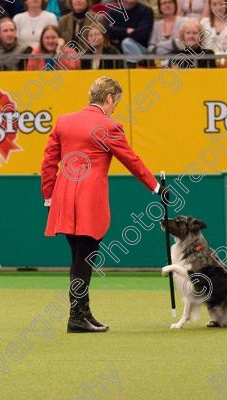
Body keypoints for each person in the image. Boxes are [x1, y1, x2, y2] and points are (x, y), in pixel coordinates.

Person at [41, 76, 161, 333]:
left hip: (64, 197)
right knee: (85, 257)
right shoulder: (109, 126)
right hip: (88, 200)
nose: (115, 108)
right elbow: (132, 160)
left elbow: (48, 162)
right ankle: (77, 316)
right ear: (108, 99)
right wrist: (156, 187)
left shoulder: (64, 121)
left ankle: (82, 313)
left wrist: (48, 196)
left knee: (78, 257)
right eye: (115, 103)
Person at [106, 0, 154, 66]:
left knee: (127, 43)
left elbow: (143, 34)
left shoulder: (146, 11)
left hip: (140, 48)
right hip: (118, 50)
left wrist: (117, 32)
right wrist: (126, 31)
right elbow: (107, 31)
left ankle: (141, 65)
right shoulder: (112, 11)